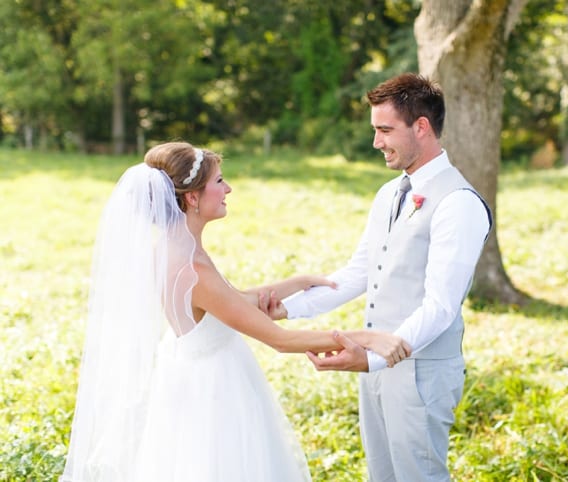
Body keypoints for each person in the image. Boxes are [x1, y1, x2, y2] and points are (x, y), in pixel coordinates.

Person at [60, 141, 411, 482]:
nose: (228, 188)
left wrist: (297, 282)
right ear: (192, 198)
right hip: (214, 392)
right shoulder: (192, 270)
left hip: (192, 375)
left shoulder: (173, 249)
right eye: (218, 181)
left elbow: (230, 301)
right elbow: (280, 340)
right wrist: (367, 338)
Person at [270, 73, 492, 482]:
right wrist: (285, 309)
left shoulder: (459, 204)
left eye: (385, 130)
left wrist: (373, 358)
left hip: (420, 371)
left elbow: (441, 306)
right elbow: (359, 273)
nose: (376, 142)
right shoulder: (389, 194)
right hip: (376, 368)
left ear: (421, 127)